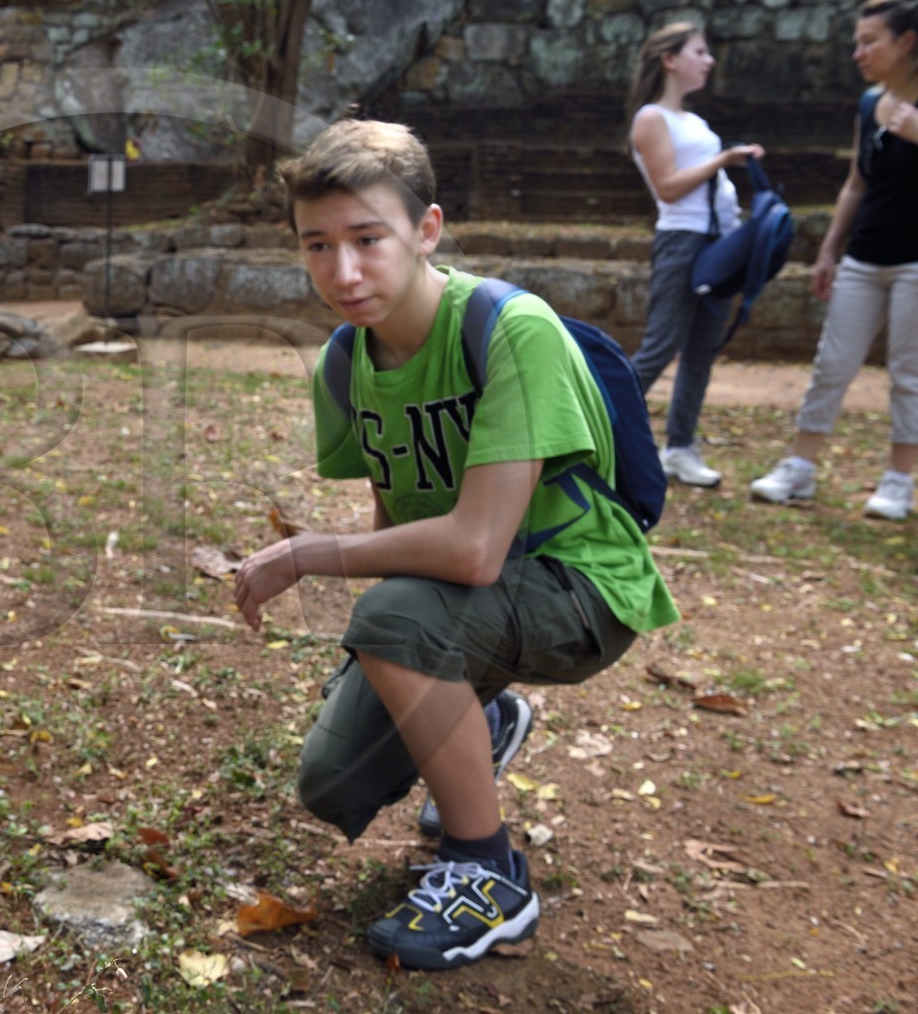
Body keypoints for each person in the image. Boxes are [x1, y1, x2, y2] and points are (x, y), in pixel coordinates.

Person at [232, 119, 678, 970]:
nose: (344, 271)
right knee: (333, 782)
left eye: (369, 239)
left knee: (397, 614)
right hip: (475, 600)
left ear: (426, 229)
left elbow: (474, 550)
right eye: (317, 245)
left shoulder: (513, 329)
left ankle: (488, 875)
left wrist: (305, 555)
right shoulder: (344, 361)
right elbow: (394, 523)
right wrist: (386, 642)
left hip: (578, 586)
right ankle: (485, 713)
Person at [750, 0, 918, 520]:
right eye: (857, 41)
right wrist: (828, 251)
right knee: (832, 364)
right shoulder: (870, 104)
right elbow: (855, 183)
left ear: (907, 41)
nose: (858, 53)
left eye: (870, 41)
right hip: (866, 256)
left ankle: (898, 480)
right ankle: (800, 467)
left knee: (908, 372)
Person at [625, 23, 765, 488]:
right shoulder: (650, 118)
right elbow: (667, 187)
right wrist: (724, 160)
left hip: (719, 240)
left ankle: (680, 448)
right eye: (700, 52)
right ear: (669, 59)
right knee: (660, 345)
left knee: (702, 350)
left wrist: (734, 160)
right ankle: (597, 427)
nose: (708, 61)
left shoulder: (696, 123)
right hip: (682, 240)